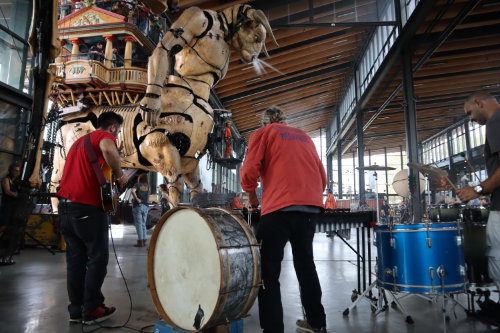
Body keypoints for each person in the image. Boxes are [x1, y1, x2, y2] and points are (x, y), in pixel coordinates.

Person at [240, 106, 327, 333]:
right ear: (285, 121)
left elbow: (249, 170)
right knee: (306, 266)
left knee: (268, 272)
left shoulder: (264, 133)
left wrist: (252, 197)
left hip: (278, 210)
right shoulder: (305, 137)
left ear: (264, 122)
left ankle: (273, 330)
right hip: (309, 210)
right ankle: (317, 323)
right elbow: (322, 177)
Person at [57, 112, 128, 324]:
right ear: (113, 128)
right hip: (87, 208)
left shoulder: (79, 142)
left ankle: (76, 310)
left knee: (75, 261)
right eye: (119, 131)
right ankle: (93, 308)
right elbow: (108, 147)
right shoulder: (103, 138)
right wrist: (120, 174)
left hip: (66, 207)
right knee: (97, 258)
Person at [457, 92, 500, 324]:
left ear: (480, 103)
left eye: (470, 113)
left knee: (497, 258)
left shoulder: (496, 122)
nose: (470, 119)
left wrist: (478, 190)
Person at [0, 162, 22, 265]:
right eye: (15, 170)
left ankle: (8, 248)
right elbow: (8, 191)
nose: (16, 173)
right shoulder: (6, 180)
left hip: (14, 208)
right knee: (4, 226)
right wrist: (19, 196)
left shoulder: (16, 181)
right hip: (7, 207)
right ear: (11, 170)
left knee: (10, 227)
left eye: (18, 171)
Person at [131, 173, 150, 247]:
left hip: (138, 206)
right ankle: (144, 240)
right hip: (146, 206)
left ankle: (140, 241)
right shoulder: (148, 186)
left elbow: (132, 191)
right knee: (143, 224)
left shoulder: (137, 185)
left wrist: (137, 199)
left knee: (138, 224)